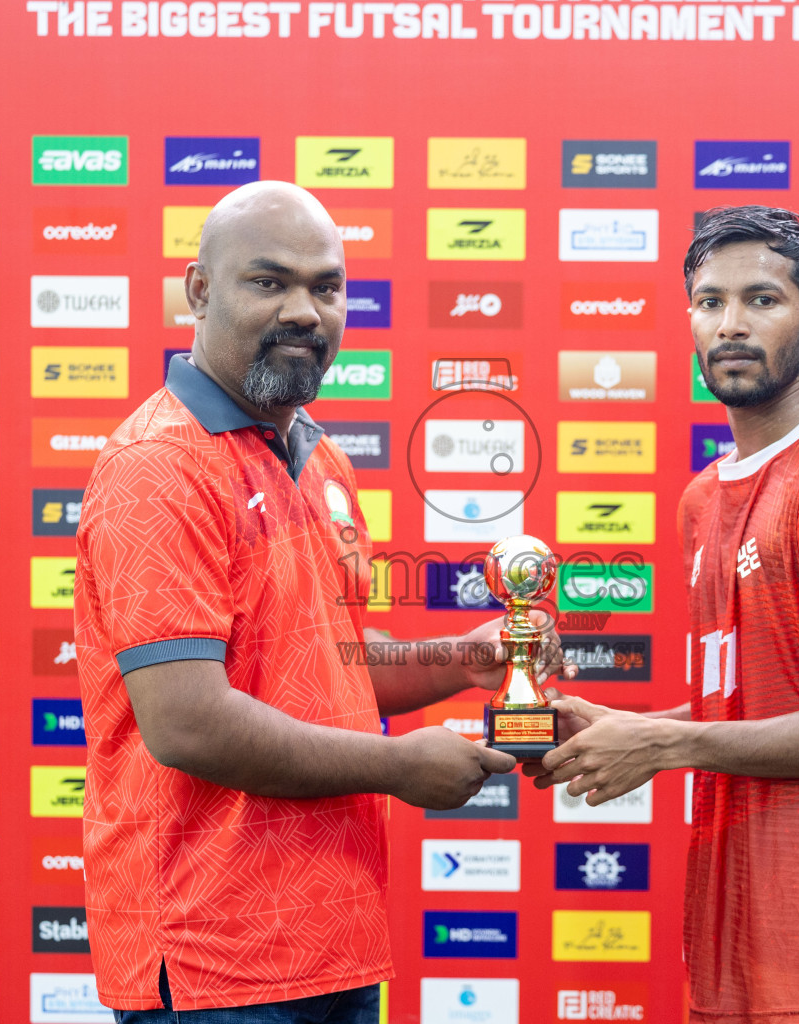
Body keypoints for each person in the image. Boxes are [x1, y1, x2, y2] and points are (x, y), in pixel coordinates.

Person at [74, 181, 565, 1023]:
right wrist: (396, 766)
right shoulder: (160, 467)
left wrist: (466, 659)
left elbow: (323, 669)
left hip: (333, 938)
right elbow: (188, 723)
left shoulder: (319, 458)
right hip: (212, 958)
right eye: (270, 282)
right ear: (199, 291)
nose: (304, 310)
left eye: (326, 287)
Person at [528, 206, 799, 1024]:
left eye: (762, 299)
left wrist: (664, 745)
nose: (731, 325)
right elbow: (762, 703)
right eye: (710, 302)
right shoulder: (702, 498)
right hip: (738, 936)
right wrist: (628, 728)